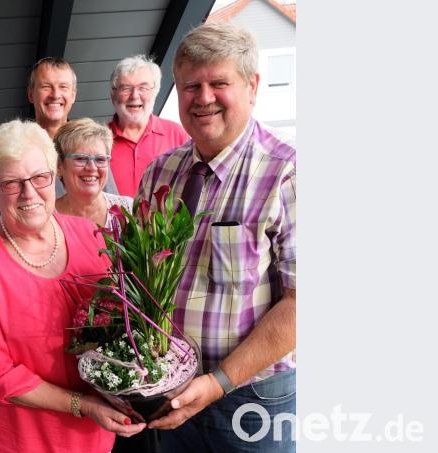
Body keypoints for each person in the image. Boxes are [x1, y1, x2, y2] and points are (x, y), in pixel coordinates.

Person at [137, 23, 296, 452]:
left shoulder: (288, 173)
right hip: (169, 391)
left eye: (218, 83)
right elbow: (141, 280)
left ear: (252, 85)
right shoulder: (159, 173)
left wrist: (218, 382)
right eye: (191, 86)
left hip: (251, 395)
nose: (203, 98)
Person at [0, 119, 146, 453]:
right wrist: (83, 405)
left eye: (39, 178)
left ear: (53, 175)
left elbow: (118, 323)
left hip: (95, 435)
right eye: (12, 183)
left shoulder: (89, 236)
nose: (29, 193)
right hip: (24, 440)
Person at [28, 57, 119, 196]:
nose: (55, 95)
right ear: (30, 94)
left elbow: (112, 204)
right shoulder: (17, 147)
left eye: (63, 87)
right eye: (46, 87)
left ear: (73, 96)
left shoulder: (92, 143)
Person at [108, 54, 189, 197]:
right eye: (126, 88)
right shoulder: (98, 140)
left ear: (155, 92)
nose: (134, 95)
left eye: (143, 88)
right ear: (113, 94)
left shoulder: (178, 135)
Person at [53, 117, 133, 229]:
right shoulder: (47, 218)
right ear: (59, 166)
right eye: (80, 158)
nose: (92, 167)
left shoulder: (128, 210)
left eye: (100, 159)